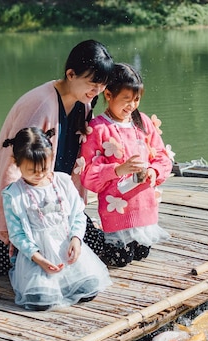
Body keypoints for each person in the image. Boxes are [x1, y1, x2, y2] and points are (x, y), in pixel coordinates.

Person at [0, 39, 115, 279]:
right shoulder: (40, 104)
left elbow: (75, 164)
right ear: (71, 74)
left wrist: (78, 211)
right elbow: (10, 167)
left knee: (96, 250)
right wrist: (8, 227)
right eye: (92, 83)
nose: (97, 90)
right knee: (0, 264)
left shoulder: (84, 105)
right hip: (21, 202)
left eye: (102, 85)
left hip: (53, 200)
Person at [1, 127, 111, 310]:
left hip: (65, 248)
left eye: (44, 168)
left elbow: (77, 214)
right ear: (17, 163)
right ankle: (45, 284)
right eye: (31, 170)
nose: (39, 174)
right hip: (37, 257)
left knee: (90, 289)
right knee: (41, 301)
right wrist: (39, 259)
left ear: (51, 158)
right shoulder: (13, 194)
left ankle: (70, 278)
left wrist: (76, 239)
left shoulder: (63, 181)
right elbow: (17, 234)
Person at [80, 63, 174, 267]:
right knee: (121, 260)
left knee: (141, 254)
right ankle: (92, 238)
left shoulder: (143, 122)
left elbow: (162, 156)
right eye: (126, 100)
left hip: (143, 206)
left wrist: (153, 170)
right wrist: (117, 170)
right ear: (108, 95)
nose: (131, 106)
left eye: (136, 100)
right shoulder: (98, 128)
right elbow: (87, 173)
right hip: (117, 209)